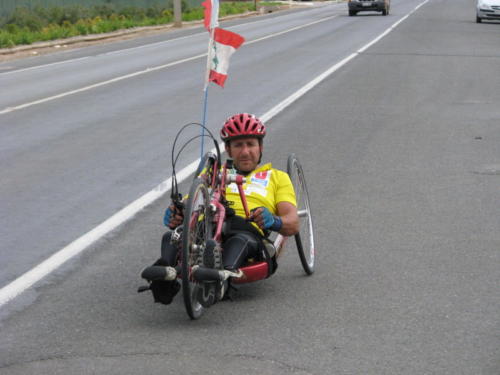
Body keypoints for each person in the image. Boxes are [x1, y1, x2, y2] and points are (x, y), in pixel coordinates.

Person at [140, 113, 299, 305]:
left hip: (245, 229)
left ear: (260, 147)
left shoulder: (277, 177)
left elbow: (292, 224)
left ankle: (224, 276)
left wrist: (273, 221)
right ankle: (167, 273)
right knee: (173, 236)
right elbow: (191, 202)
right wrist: (177, 213)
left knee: (240, 238)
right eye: (238, 145)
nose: (245, 151)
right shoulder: (214, 172)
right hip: (208, 222)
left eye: (250, 144)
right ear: (228, 150)